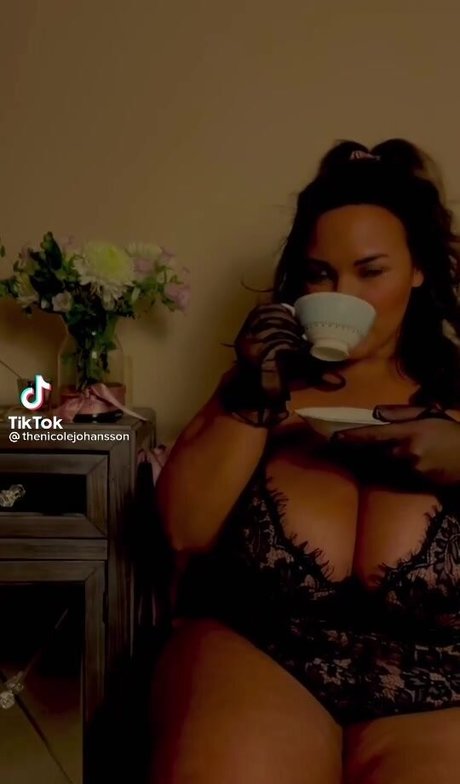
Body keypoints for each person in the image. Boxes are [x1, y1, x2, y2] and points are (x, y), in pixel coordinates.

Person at [150, 139, 460, 784]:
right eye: (321, 275)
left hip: (441, 682)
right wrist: (248, 401)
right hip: (261, 656)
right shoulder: (260, 386)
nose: (343, 294)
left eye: (370, 272)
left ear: (418, 270)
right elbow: (182, 532)